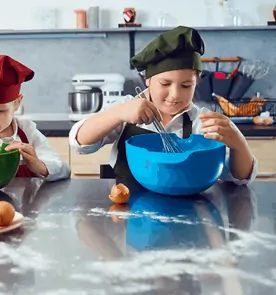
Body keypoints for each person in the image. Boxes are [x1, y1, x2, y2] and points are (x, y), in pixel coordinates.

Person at [68, 26, 257, 185]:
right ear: (148, 79)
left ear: (196, 82)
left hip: (186, 213)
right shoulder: (126, 107)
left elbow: (239, 179)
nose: (175, 95)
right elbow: (80, 143)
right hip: (126, 209)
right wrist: (117, 114)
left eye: (186, 85)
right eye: (165, 84)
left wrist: (239, 144)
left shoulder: (202, 121)